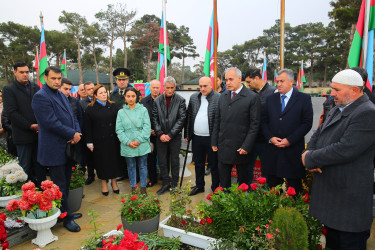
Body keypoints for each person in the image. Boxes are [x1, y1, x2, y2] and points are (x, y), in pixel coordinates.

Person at [302, 69, 375, 249]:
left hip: (349, 201)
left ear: (355, 91)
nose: (331, 93)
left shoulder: (367, 112)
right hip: (332, 198)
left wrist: (311, 158)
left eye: (336, 89)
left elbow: (345, 149)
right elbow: (318, 135)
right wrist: (308, 154)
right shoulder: (337, 108)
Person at [32, 66, 82, 232]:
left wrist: (76, 131)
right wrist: (72, 133)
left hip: (67, 146)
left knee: (66, 182)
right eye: (53, 78)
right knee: (59, 185)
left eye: (59, 78)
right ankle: (66, 219)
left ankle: (65, 211)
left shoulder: (60, 94)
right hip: (54, 148)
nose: (56, 81)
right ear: (45, 78)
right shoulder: (40, 97)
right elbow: (50, 123)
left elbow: (72, 115)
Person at [262, 68, 313, 195]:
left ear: (291, 81)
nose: (278, 84)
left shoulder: (303, 98)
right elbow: (264, 121)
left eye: (282, 81)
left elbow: (306, 123)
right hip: (273, 151)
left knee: (294, 190)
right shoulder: (270, 99)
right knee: (273, 189)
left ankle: (294, 213)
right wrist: (270, 137)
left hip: (292, 151)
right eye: (277, 81)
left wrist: (290, 140)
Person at [212, 67, 261, 189]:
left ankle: (240, 206)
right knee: (224, 182)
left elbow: (255, 125)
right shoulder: (222, 96)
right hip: (223, 146)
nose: (228, 82)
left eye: (231, 79)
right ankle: (225, 205)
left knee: (242, 183)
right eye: (226, 79)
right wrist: (214, 141)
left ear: (240, 79)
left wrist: (246, 146)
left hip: (241, 148)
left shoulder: (252, 97)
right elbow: (217, 120)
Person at [3, 62, 45, 186]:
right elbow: (12, 113)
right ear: (15, 72)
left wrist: (40, 125)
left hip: (38, 134)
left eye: (27, 72)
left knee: (40, 164)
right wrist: (30, 126)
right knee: (25, 166)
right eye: (22, 72)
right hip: (23, 135)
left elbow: (41, 107)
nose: (25, 74)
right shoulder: (9, 89)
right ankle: (26, 196)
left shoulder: (35, 87)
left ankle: (43, 191)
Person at [84, 84, 123, 196]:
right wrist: (89, 142)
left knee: (114, 161)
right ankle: (104, 183)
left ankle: (114, 182)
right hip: (99, 141)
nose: (103, 94)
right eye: (100, 93)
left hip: (113, 140)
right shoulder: (90, 109)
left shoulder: (113, 106)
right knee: (102, 162)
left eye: (105, 92)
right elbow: (87, 127)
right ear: (95, 95)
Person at [185, 76, 220, 195]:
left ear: (211, 85)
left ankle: (216, 187)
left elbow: (220, 120)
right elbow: (189, 116)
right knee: (198, 163)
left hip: (211, 138)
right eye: (200, 86)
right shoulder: (194, 97)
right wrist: (187, 134)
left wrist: (216, 139)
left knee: (214, 164)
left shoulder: (218, 98)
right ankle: (199, 186)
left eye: (205, 86)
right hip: (196, 137)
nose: (202, 88)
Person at [152, 76, 186, 195]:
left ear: (175, 87)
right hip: (161, 136)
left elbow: (182, 119)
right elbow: (154, 118)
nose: (170, 90)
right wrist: (160, 133)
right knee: (162, 160)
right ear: (164, 87)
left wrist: (171, 134)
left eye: (172, 88)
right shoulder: (157, 101)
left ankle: (174, 184)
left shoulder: (180, 100)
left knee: (175, 160)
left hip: (174, 136)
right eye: (168, 88)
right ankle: (165, 183)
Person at [116, 87, 151, 195]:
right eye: (128, 96)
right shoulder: (121, 112)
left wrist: (138, 140)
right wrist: (128, 142)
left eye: (133, 96)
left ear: (137, 97)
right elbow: (119, 130)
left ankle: (143, 188)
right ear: (125, 97)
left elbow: (147, 127)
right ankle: (133, 187)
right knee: (130, 167)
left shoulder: (143, 110)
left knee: (142, 166)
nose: (130, 99)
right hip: (127, 145)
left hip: (142, 143)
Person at [244, 69, 276, 181]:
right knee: (247, 168)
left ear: (257, 78)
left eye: (249, 82)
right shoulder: (249, 93)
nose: (247, 85)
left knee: (267, 169)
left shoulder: (273, 92)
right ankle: (246, 191)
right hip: (250, 139)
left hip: (266, 140)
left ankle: (266, 193)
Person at [141, 80, 161, 187]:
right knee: (151, 159)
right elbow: (140, 119)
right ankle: (152, 179)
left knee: (163, 158)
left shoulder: (164, 100)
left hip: (161, 135)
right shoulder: (143, 102)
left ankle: (164, 177)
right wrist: (148, 130)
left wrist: (158, 131)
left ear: (160, 88)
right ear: (149, 88)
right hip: (148, 136)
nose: (155, 89)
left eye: (157, 87)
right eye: (153, 87)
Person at [80, 81, 96, 185]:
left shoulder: (101, 99)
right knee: (89, 157)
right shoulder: (81, 103)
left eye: (92, 88)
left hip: (100, 132)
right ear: (85, 91)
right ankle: (91, 175)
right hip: (88, 133)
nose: (91, 90)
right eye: (88, 89)